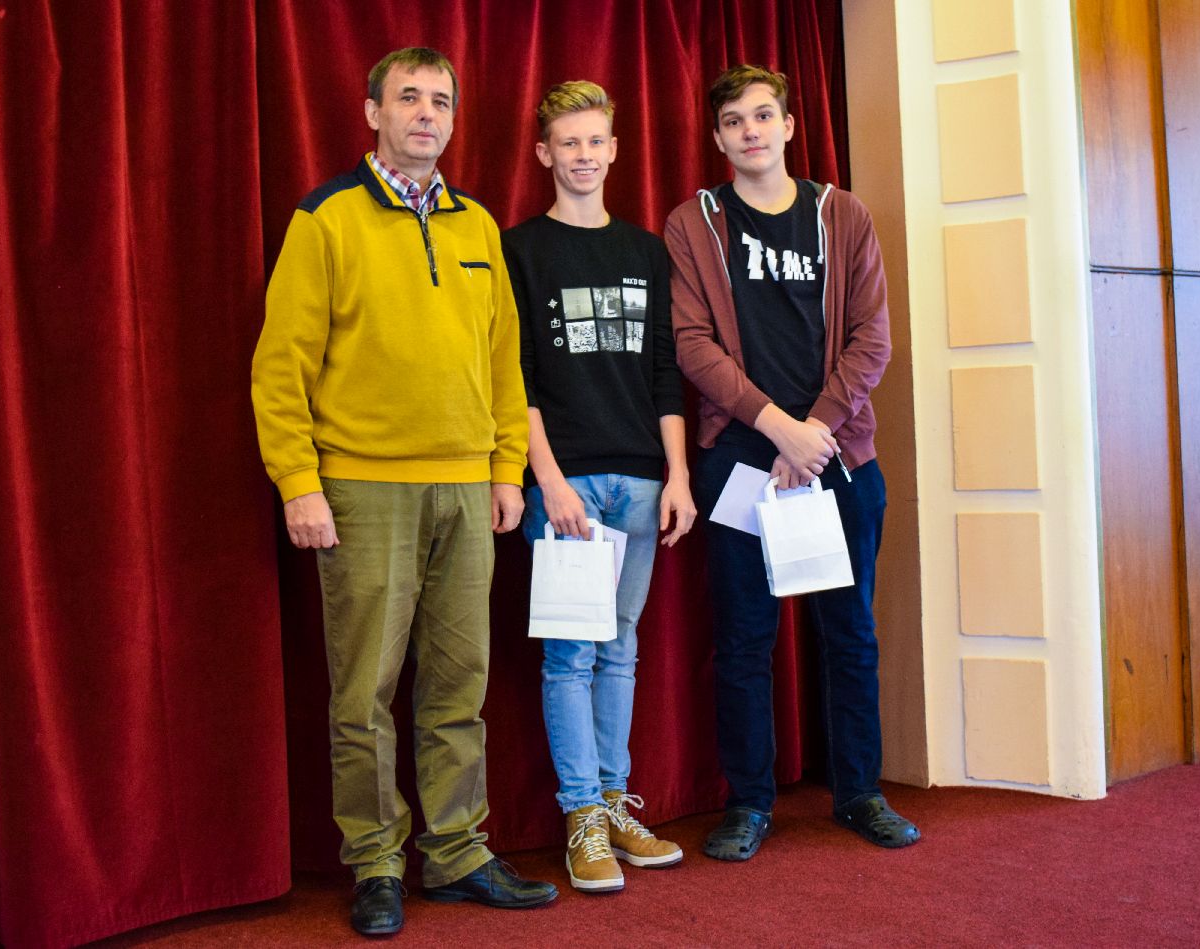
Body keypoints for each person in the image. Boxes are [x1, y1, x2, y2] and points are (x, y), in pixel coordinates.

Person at [251, 47, 557, 936]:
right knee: (364, 695)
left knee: (459, 687)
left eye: (441, 101)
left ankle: (457, 851)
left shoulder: (477, 226)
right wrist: (298, 482)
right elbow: (280, 365)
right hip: (361, 488)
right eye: (409, 97)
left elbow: (504, 361)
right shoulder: (327, 218)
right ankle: (377, 863)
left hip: (466, 487)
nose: (427, 113)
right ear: (372, 111)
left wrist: (504, 468)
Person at [663, 64, 921, 861]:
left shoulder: (842, 215)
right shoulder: (694, 222)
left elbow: (871, 338)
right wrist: (779, 429)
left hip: (838, 456)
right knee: (743, 640)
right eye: (732, 120)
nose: (749, 131)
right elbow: (692, 345)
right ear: (718, 138)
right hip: (742, 460)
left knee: (849, 634)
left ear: (787, 126)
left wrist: (813, 432)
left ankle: (859, 793)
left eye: (761, 115)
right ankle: (748, 802)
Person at [502, 81, 696, 894]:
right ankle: (580, 814)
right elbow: (515, 375)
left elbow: (663, 372)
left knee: (620, 650)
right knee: (568, 656)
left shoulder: (645, 251)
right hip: (567, 486)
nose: (582, 155)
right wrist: (546, 480)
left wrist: (677, 474)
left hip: (641, 483)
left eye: (594, 141)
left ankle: (615, 804)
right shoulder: (520, 249)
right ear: (544, 153)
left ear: (614, 150)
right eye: (567, 143)